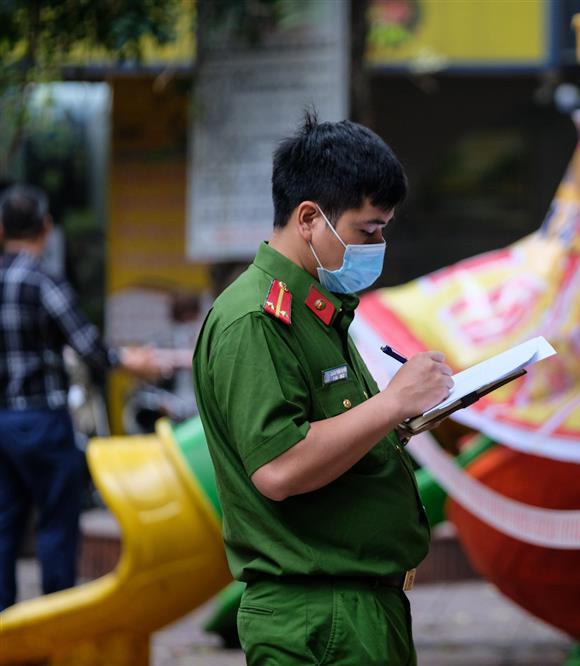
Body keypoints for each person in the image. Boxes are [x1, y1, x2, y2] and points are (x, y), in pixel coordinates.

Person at [192, 112, 453, 665]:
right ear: (309, 218)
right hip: (318, 617)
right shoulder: (257, 319)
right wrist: (392, 403)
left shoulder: (314, 309)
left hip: (354, 608)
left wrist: (398, 421)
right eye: (368, 230)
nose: (378, 244)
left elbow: (331, 435)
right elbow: (280, 468)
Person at [0, 184, 162, 611]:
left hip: (2, 423)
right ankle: (54, 623)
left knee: (3, 525)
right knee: (57, 524)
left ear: (2, 229)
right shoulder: (44, 283)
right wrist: (131, 361)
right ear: (46, 228)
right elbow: (90, 348)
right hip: (43, 420)